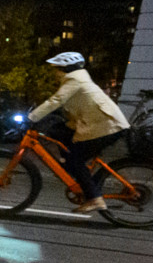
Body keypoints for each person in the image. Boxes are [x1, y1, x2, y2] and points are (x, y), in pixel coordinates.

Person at [30, 50, 130, 213]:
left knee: (74, 160)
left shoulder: (74, 79)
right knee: (59, 134)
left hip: (106, 127)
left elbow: (56, 100)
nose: (55, 72)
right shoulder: (78, 79)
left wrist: (32, 117)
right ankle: (79, 177)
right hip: (101, 125)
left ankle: (94, 198)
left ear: (66, 68)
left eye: (57, 68)